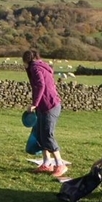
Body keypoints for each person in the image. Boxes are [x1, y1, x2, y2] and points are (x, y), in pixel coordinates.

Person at [23, 49, 68, 177]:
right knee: (41, 135)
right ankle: (47, 164)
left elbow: (40, 86)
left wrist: (34, 104)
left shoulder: (36, 68)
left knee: (48, 135)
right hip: (44, 106)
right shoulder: (41, 67)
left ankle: (60, 164)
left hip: (50, 106)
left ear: (27, 60)